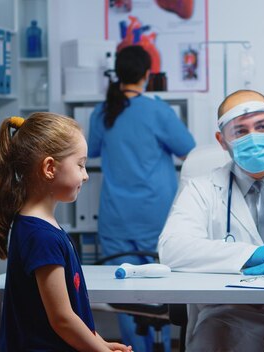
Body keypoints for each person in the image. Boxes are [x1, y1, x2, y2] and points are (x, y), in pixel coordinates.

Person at [158, 89, 264, 351]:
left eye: (262, 126)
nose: (253, 137)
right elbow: (172, 248)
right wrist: (255, 255)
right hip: (228, 318)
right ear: (222, 140)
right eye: (240, 131)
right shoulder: (201, 188)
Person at [0, 114, 131, 352]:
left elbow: (69, 312)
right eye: (80, 164)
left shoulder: (38, 226)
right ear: (49, 168)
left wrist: (100, 342)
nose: (85, 175)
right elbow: (62, 319)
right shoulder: (41, 236)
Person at [88, 45, 195, 351]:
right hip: (156, 216)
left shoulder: (102, 111)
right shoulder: (158, 110)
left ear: (117, 75)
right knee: (160, 290)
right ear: (148, 75)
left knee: (125, 295)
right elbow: (189, 148)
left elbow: (91, 150)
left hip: (116, 218)